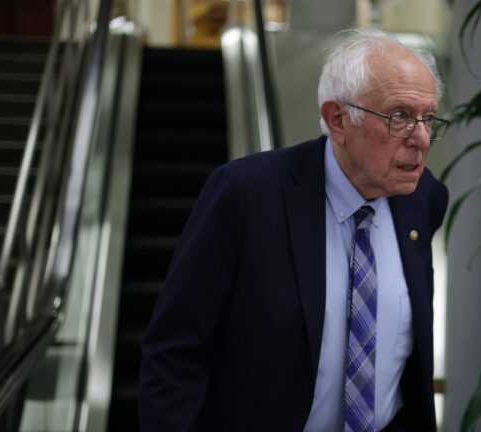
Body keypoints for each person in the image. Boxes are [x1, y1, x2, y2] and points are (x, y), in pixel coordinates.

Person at [138, 27, 449, 432]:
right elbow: (174, 354)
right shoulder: (246, 195)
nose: (421, 138)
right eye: (400, 116)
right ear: (338, 119)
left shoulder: (423, 198)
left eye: (429, 118)